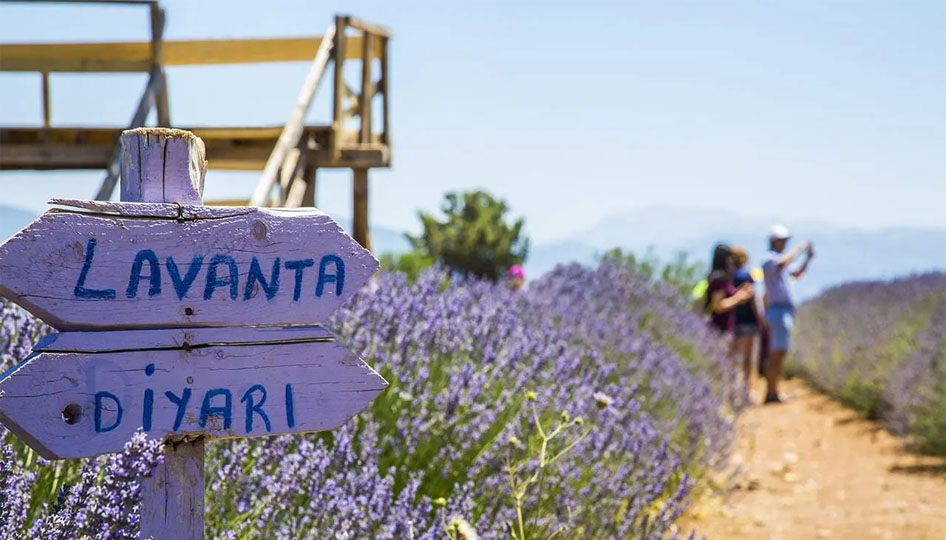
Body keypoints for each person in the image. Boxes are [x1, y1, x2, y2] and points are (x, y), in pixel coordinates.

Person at [761, 224, 814, 404]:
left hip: (784, 311)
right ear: (774, 241)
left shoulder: (779, 264)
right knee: (776, 353)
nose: (785, 244)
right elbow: (783, 262)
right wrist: (800, 248)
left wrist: (807, 259)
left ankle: (774, 391)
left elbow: (796, 274)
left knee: (780, 353)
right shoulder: (769, 260)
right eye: (782, 240)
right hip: (777, 311)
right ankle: (771, 392)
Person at [705, 244, 754, 352]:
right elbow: (719, 306)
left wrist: (740, 292)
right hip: (718, 330)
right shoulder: (719, 278)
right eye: (731, 258)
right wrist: (739, 298)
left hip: (726, 328)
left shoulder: (723, 278)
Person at [731, 246, 765, 390]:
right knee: (747, 357)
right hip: (748, 320)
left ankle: (732, 389)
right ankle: (745, 389)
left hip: (733, 320)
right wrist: (760, 317)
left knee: (733, 357)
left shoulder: (728, 276)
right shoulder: (746, 276)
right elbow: (753, 298)